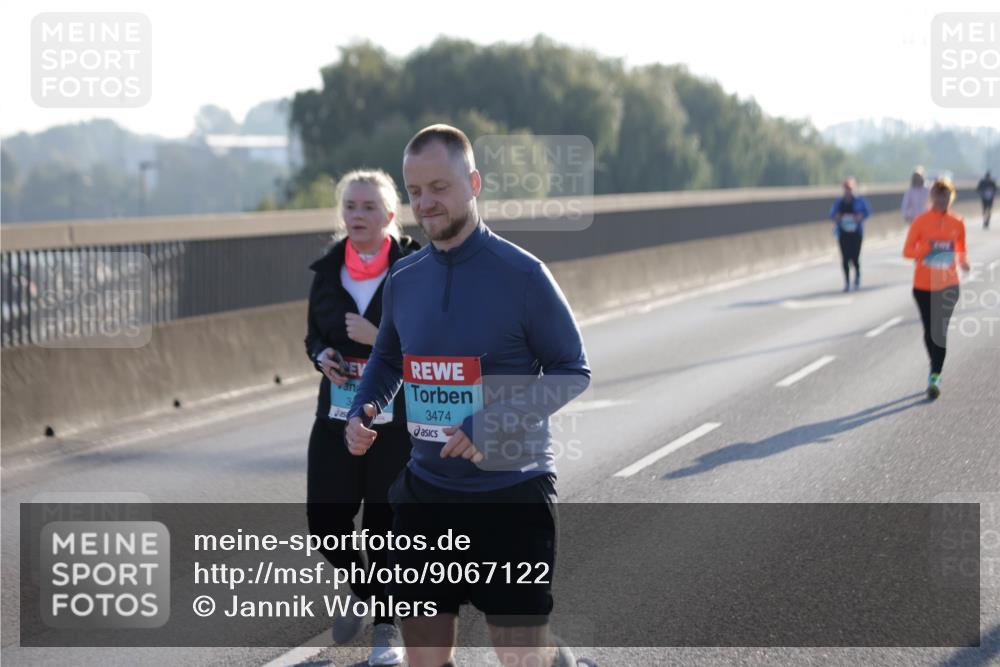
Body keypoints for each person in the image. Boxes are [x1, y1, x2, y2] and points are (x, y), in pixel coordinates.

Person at [345, 125, 592, 667]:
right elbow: (387, 359)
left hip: (512, 492)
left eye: (439, 186)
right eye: (414, 191)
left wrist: (493, 423)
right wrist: (365, 408)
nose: (425, 202)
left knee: (520, 659)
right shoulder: (404, 280)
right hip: (427, 496)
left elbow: (573, 369)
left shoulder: (524, 275)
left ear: (473, 182)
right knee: (425, 661)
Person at [305, 169, 420, 665]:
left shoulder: (415, 266)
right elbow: (312, 334)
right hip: (335, 412)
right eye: (350, 206)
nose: (358, 215)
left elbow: (431, 339)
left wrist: (380, 339)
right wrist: (321, 356)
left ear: (390, 216)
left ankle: (386, 633)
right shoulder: (328, 270)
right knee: (325, 519)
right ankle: (367, 589)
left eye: (369, 206)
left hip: (392, 418)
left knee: (383, 523)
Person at [902, 177, 970, 399]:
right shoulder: (921, 222)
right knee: (929, 332)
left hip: (949, 285)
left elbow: (961, 249)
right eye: (939, 196)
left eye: (946, 196)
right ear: (932, 197)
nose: (942, 200)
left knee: (939, 331)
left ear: (951, 197)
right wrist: (923, 250)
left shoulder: (958, 222)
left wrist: (963, 262)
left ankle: (935, 375)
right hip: (923, 285)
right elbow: (907, 251)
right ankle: (935, 363)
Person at [829, 177, 871, 291]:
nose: (848, 190)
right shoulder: (839, 202)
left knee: (855, 257)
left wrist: (859, 217)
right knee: (845, 258)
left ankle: (857, 276)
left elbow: (867, 212)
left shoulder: (859, 200)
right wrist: (837, 217)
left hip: (856, 233)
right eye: (846, 188)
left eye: (850, 188)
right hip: (843, 233)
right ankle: (847, 282)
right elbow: (832, 215)